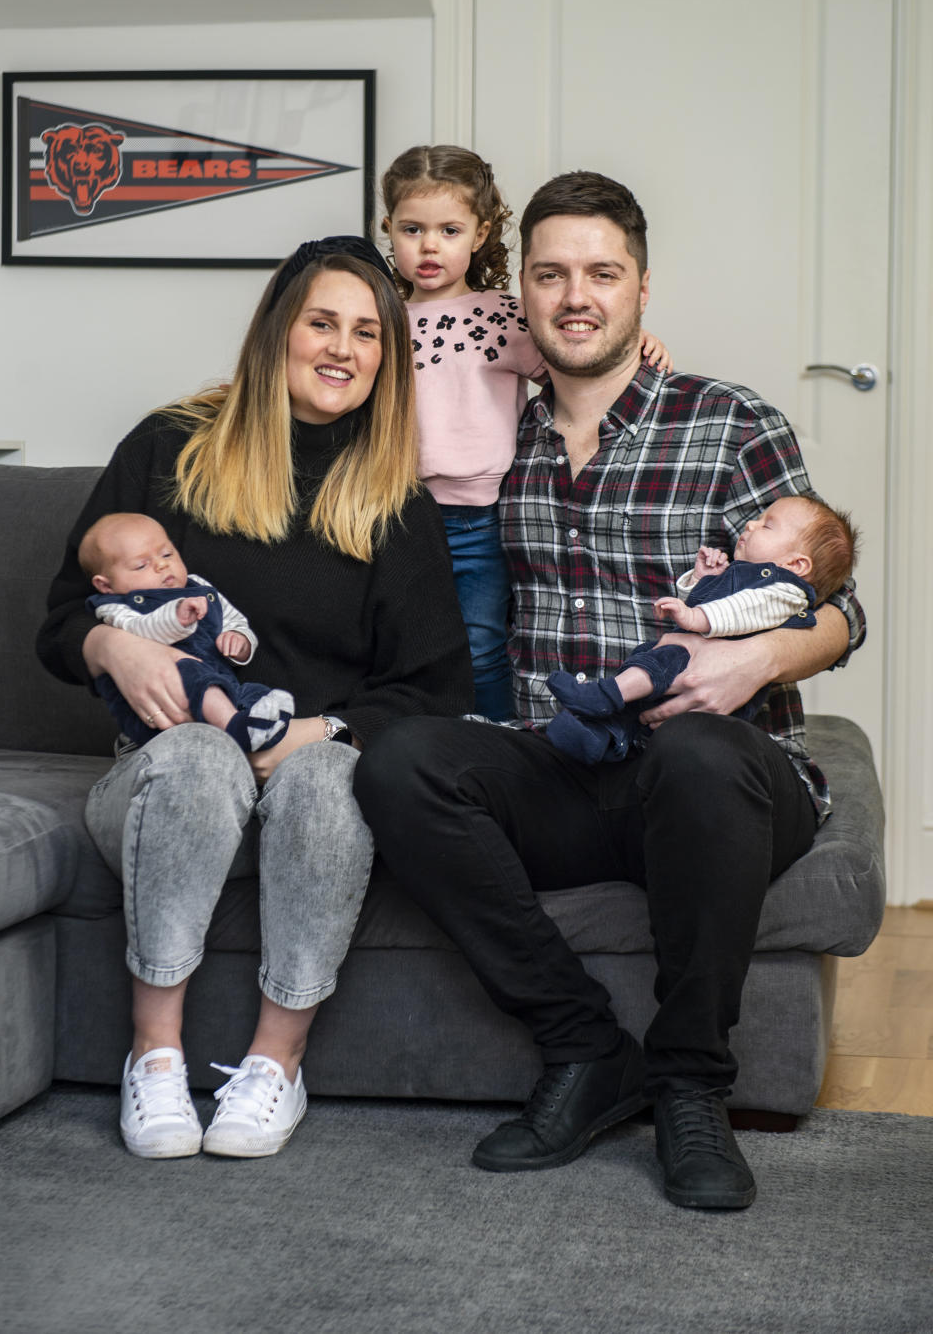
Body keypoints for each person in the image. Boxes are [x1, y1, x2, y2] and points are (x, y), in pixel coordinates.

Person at [354, 173, 866, 1211]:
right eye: (550, 273)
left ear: (641, 288)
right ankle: (587, 1048)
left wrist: (753, 659)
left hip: (721, 774)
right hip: (570, 766)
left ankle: (689, 1082)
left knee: (695, 752)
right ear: (521, 292)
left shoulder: (729, 421)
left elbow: (846, 612)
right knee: (402, 759)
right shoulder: (492, 442)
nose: (575, 295)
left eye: (601, 272)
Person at [37, 235, 473, 1161]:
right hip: (165, 781)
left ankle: (275, 1064)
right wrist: (111, 641)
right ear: (280, 330)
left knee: (326, 775)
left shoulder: (394, 504)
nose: (342, 349)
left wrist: (315, 732)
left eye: (367, 334)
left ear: (387, 362)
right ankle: (153, 1059)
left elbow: (435, 690)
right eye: (322, 322)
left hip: (310, 785)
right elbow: (60, 621)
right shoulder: (170, 446)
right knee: (197, 752)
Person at [380, 144, 672, 720]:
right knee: (401, 643)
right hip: (396, 508)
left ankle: (492, 734)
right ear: (388, 230)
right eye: (412, 229)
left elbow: (577, 364)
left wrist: (644, 344)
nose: (430, 245)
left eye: (449, 229)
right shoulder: (381, 315)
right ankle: (417, 737)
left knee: (483, 643)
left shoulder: (504, 316)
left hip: (479, 515)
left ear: (481, 233)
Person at [546, 493, 859, 764]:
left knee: (656, 662)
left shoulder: (786, 592)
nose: (750, 524)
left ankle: (603, 695)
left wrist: (695, 618)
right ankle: (599, 738)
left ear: (797, 564)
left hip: (710, 681)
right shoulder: (748, 574)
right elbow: (709, 602)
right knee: (646, 678)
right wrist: (701, 579)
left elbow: (742, 612)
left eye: (767, 524)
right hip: (689, 661)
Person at [79, 512, 296, 753]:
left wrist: (240, 640)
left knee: (253, 692)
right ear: (105, 584)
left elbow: (235, 620)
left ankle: (258, 727)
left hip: (222, 686)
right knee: (191, 671)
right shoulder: (114, 607)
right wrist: (176, 617)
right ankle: (235, 728)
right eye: (142, 565)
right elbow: (139, 630)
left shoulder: (199, 587)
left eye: (167, 554)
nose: (162, 565)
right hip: (167, 703)